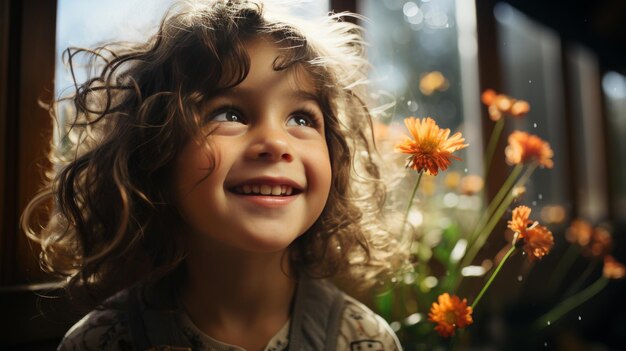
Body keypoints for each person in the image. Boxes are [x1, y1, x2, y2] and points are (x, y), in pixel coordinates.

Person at [23, 0, 404, 350]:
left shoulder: (363, 340)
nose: (275, 142)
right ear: (156, 152)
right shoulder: (98, 342)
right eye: (229, 114)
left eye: (301, 118)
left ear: (335, 159)